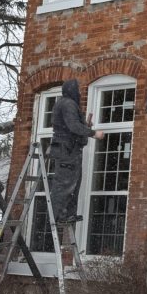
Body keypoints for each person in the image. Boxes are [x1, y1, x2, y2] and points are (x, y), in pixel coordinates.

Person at [50, 79, 103, 225]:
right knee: (65, 183)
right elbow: (72, 126)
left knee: (73, 182)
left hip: (68, 149)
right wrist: (92, 132)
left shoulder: (64, 103)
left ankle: (66, 214)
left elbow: (70, 125)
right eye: (77, 90)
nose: (79, 93)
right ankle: (59, 216)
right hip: (66, 150)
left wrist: (84, 126)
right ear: (72, 90)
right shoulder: (68, 103)